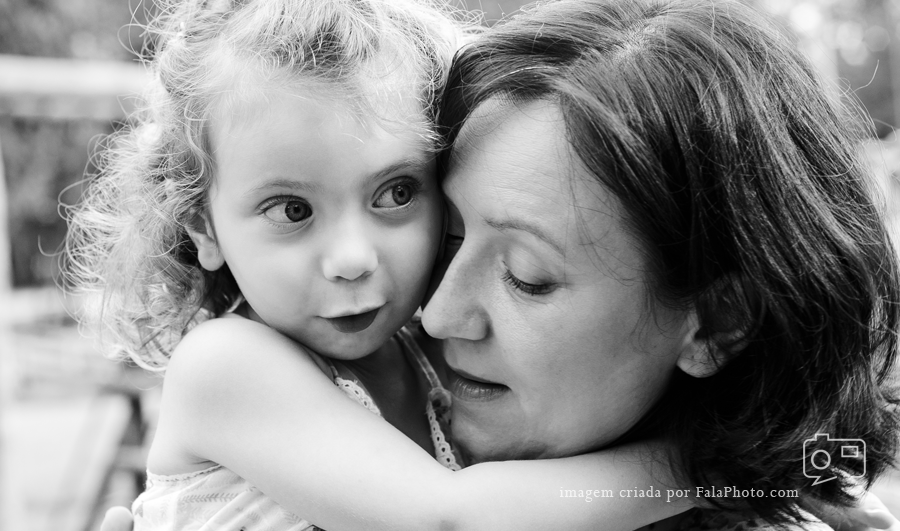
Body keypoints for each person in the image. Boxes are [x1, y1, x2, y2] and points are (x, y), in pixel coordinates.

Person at [88, 0, 900, 529]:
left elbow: (839, 460)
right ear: (203, 225)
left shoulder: (417, 366)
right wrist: (725, 466)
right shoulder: (230, 363)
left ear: (717, 320)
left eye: (398, 195)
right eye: (292, 209)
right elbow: (452, 516)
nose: (439, 310)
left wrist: (788, 471)